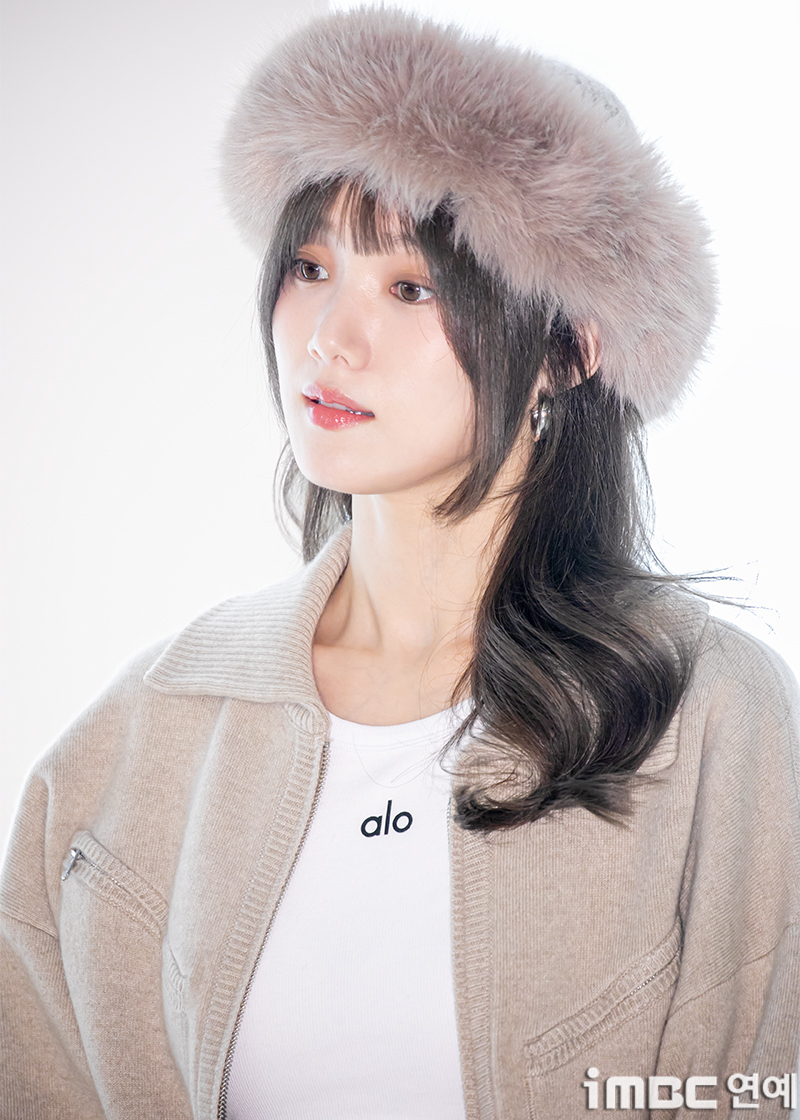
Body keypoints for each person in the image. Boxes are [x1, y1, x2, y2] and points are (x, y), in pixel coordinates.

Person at [1, 7, 798, 1119]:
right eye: (310, 266)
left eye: (410, 288)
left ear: (568, 352)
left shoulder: (704, 713)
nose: (329, 337)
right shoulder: (145, 731)